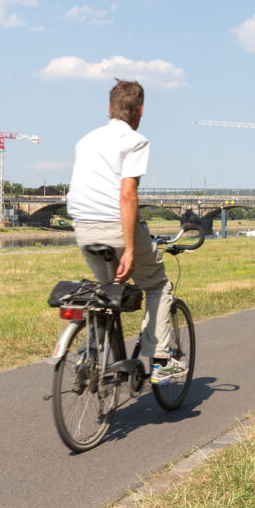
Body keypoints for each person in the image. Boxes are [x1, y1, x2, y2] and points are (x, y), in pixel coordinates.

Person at [66, 79, 181, 384]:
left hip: (83, 228)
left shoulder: (85, 141)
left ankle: (90, 355)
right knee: (157, 285)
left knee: (105, 294)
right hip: (115, 226)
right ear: (141, 111)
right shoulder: (136, 141)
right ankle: (160, 362)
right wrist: (130, 249)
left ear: (109, 108)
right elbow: (128, 194)